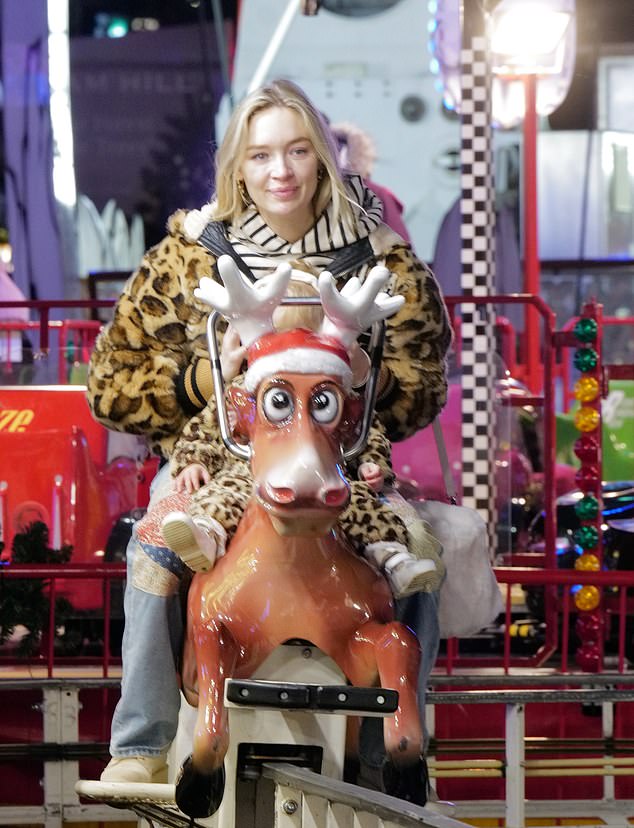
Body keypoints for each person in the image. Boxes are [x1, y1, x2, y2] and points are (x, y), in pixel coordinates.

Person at [86, 78, 452, 788]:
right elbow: (110, 381)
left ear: (322, 156)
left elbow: (423, 376)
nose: (279, 172)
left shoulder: (380, 260)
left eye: (295, 151)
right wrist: (202, 381)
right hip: (213, 452)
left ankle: (397, 741)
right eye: (259, 157)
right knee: (157, 541)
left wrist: (351, 389)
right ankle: (142, 737)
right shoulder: (187, 258)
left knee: (415, 547)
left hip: (338, 451)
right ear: (238, 166)